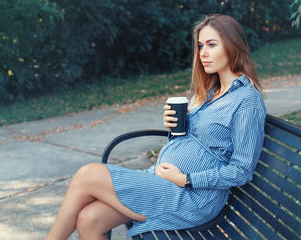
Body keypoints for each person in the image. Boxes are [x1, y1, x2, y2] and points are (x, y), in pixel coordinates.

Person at [46, 14, 267, 240]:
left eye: (212, 45)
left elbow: (241, 170)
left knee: (88, 175)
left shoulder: (247, 100)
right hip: (164, 183)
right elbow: (197, 142)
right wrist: (174, 127)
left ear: (232, 46)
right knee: (89, 219)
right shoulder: (212, 92)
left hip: (194, 196)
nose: (203, 53)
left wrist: (187, 179)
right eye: (200, 46)